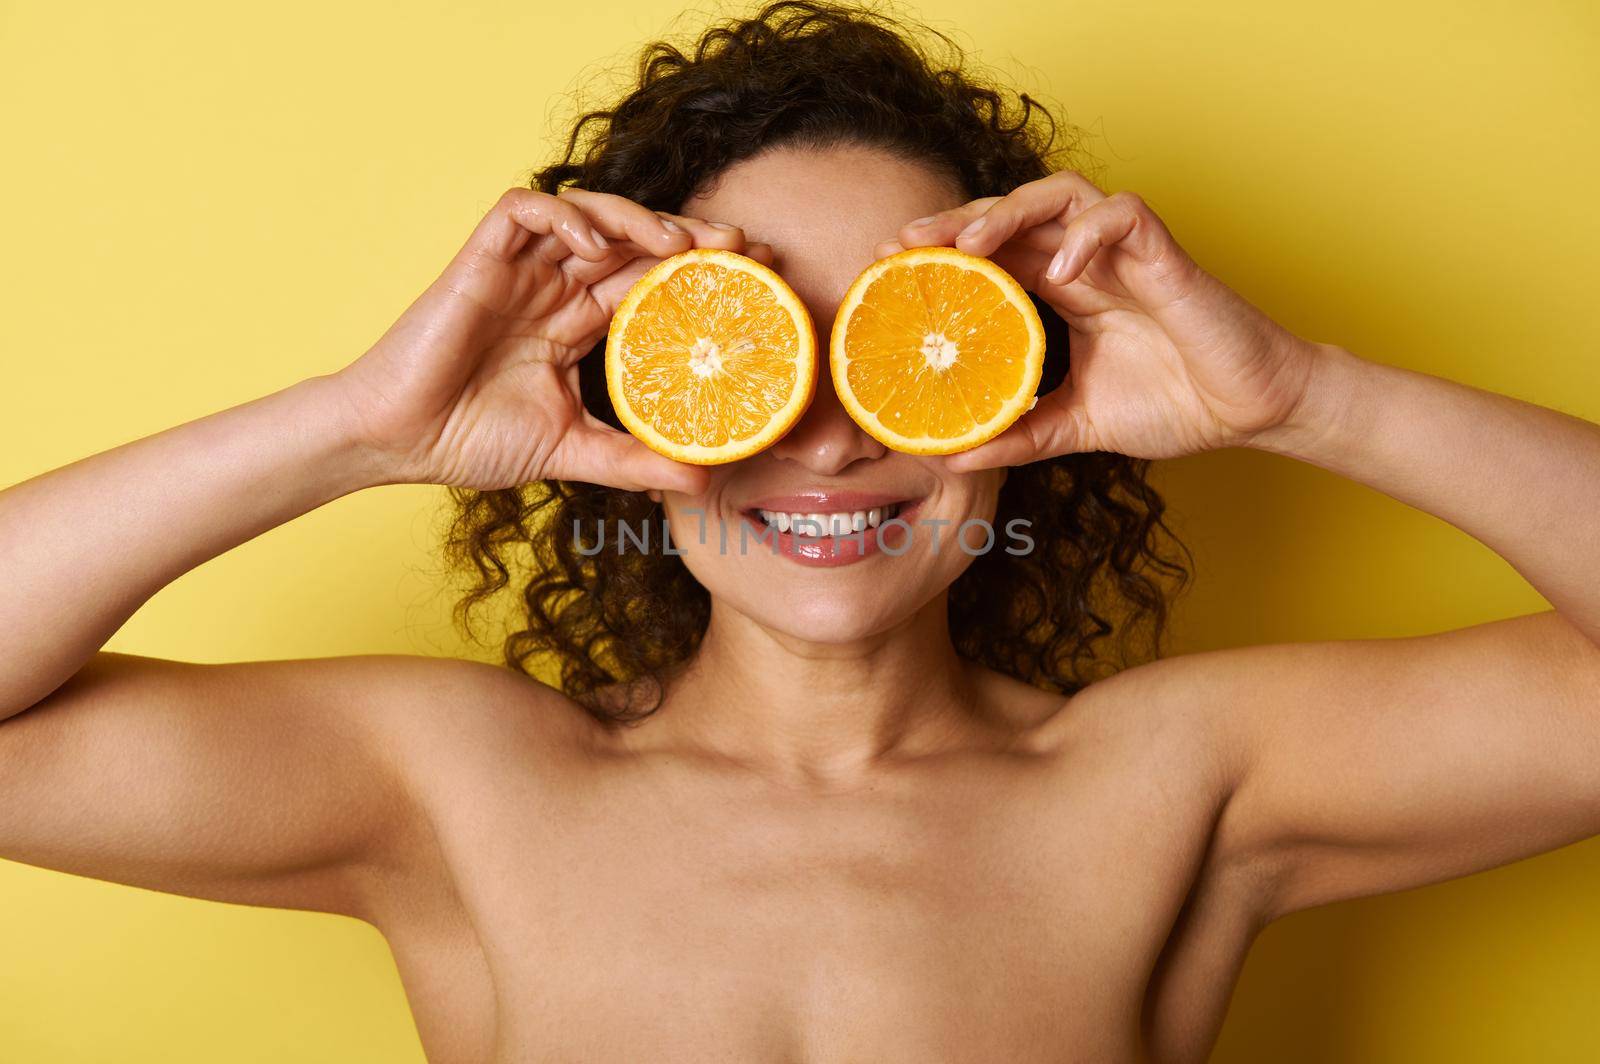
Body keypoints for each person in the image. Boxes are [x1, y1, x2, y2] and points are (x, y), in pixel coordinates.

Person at [2, 3, 1597, 1061]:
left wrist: (1296, 396)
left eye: (904, 352)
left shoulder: (1178, 785)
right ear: (626, 398)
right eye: (750, 356)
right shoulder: (462, 794)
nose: (829, 434)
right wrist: (360, 426)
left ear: (1029, 378)